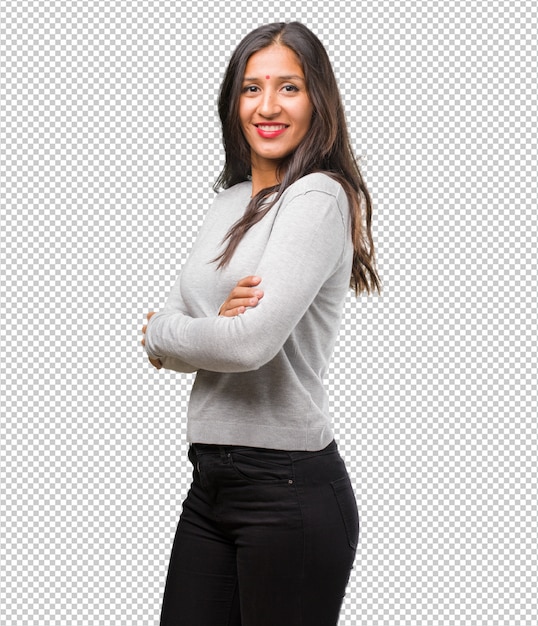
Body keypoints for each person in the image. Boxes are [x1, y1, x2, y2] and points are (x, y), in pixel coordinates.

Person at [141, 21, 380, 626]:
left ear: (317, 99)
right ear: (233, 100)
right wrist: (191, 333)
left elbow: (244, 344)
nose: (267, 106)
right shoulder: (230, 200)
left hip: (289, 489)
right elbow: (174, 333)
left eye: (289, 88)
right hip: (210, 484)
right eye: (251, 88)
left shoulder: (320, 197)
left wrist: (172, 334)